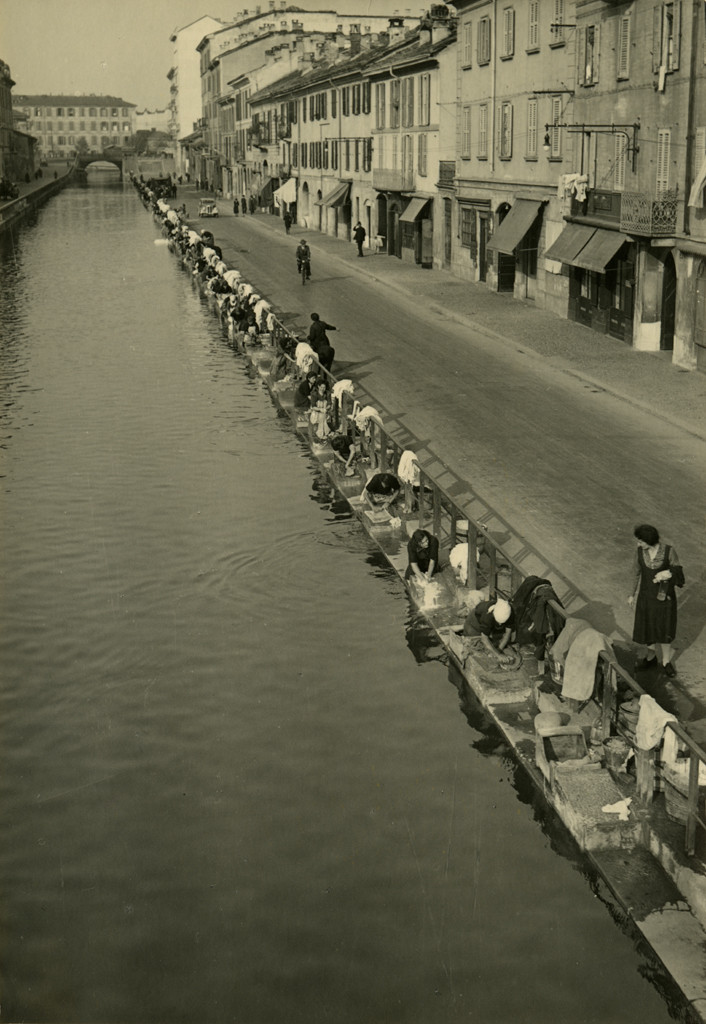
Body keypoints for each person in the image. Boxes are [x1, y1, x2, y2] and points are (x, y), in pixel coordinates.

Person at [628, 524, 685, 677]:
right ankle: (651, 657)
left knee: (664, 629)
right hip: (646, 597)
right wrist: (631, 594)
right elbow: (636, 573)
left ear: (649, 541)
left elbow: (678, 571)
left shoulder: (669, 551)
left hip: (664, 598)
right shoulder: (640, 552)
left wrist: (669, 573)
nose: (638, 544)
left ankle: (666, 661)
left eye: (640, 541)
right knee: (648, 628)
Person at [463, 597, 516, 665]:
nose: (500, 624)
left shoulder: (510, 614)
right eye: (499, 622)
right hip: (475, 621)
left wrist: (499, 650)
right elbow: (484, 638)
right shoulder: (488, 616)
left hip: (491, 621)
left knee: (494, 644)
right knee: (473, 643)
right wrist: (498, 655)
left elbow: (507, 633)